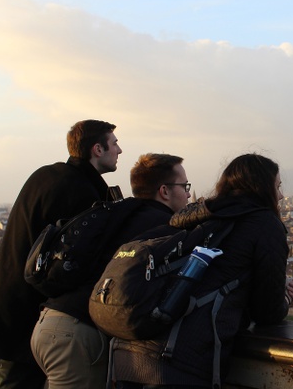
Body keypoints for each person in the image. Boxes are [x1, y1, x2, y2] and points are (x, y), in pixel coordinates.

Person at [112, 153, 293, 389]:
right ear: (262, 188)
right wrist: (284, 297)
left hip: (128, 355)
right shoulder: (264, 223)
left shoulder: (194, 216)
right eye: (278, 186)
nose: (282, 195)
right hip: (179, 362)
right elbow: (267, 311)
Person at [0, 119, 122, 389]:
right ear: (97, 149)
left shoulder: (48, 175)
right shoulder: (79, 190)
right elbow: (71, 266)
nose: (119, 151)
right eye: (115, 144)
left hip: (6, 316)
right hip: (25, 324)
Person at [30, 153, 192, 389]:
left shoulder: (118, 212)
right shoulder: (161, 228)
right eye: (184, 186)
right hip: (76, 337)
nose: (188, 193)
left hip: (50, 324)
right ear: (164, 191)